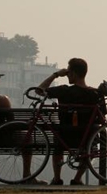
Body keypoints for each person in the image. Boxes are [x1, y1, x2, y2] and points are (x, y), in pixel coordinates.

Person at [37, 57, 103, 186]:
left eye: (68, 72)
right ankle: (77, 178)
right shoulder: (95, 93)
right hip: (86, 138)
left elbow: (39, 90)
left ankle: (57, 179)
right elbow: (101, 117)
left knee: (57, 145)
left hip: (64, 136)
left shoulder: (64, 91)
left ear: (72, 73)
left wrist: (56, 74)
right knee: (92, 145)